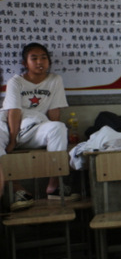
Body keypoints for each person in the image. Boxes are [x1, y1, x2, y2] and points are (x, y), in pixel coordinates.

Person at [0, 42, 79, 211]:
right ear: (25, 63)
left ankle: (54, 186)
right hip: (8, 126)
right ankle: (17, 189)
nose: (39, 62)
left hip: (35, 127)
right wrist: (12, 140)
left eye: (43, 58)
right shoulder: (16, 81)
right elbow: (14, 111)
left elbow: (54, 110)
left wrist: (55, 133)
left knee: (58, 127)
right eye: (34, 58)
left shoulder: (55, 80)